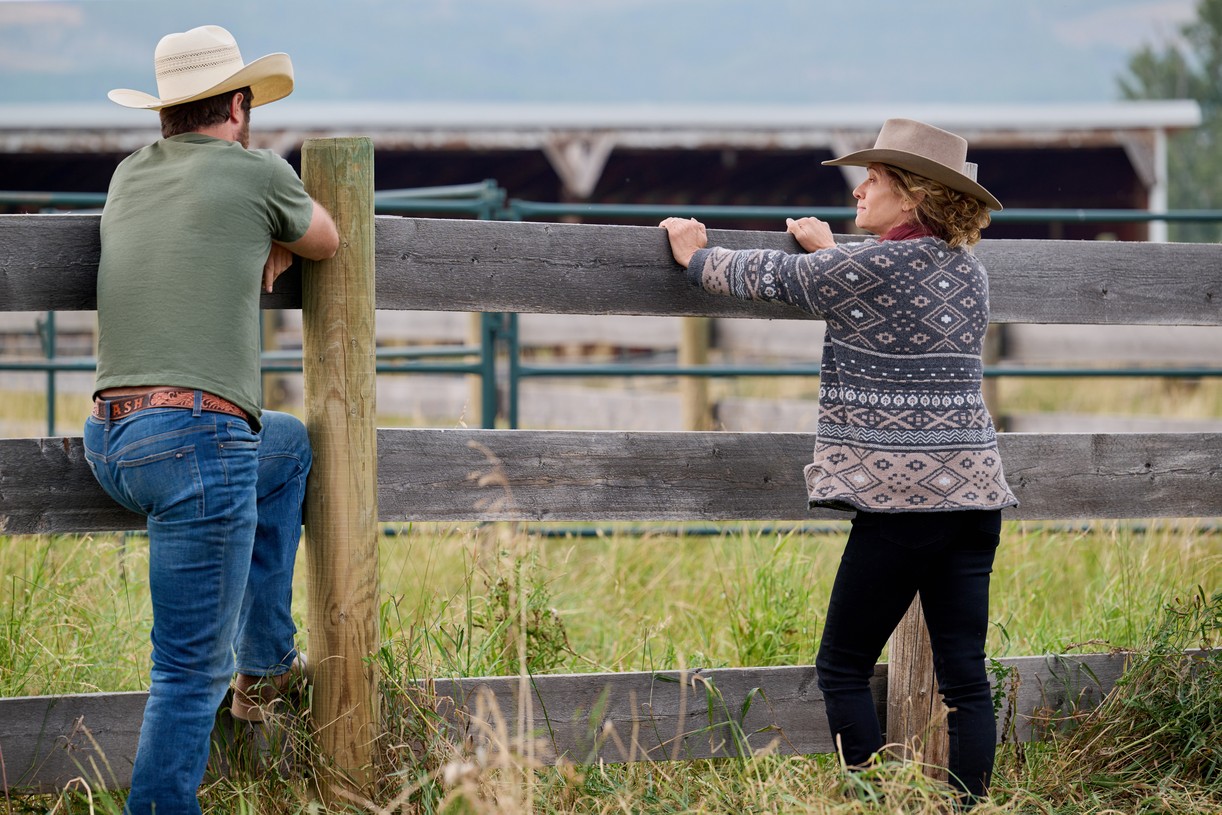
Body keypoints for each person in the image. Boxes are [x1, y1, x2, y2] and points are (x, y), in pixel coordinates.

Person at [660, 118, 1017, 806]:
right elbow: (871, 286)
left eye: (875, 178)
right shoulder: (968, 272)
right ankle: (969, 806)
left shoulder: (866, 267)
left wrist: (694, 254)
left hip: (902, 506)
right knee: (966, 677)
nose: (859, 187)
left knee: (843, 667)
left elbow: (771, 276)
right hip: (974, 498)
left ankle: (876, 799)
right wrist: (838, 250)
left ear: (912, 195)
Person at [83, 25, 339, 814]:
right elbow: (327, 237)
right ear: (237, 104)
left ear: (164, 113)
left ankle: (265, 660)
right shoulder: (257, 171)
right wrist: (281, 243)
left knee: (288, 444)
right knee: (187, 671)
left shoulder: (129, 175)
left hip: (114, 438)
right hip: (197, 441)